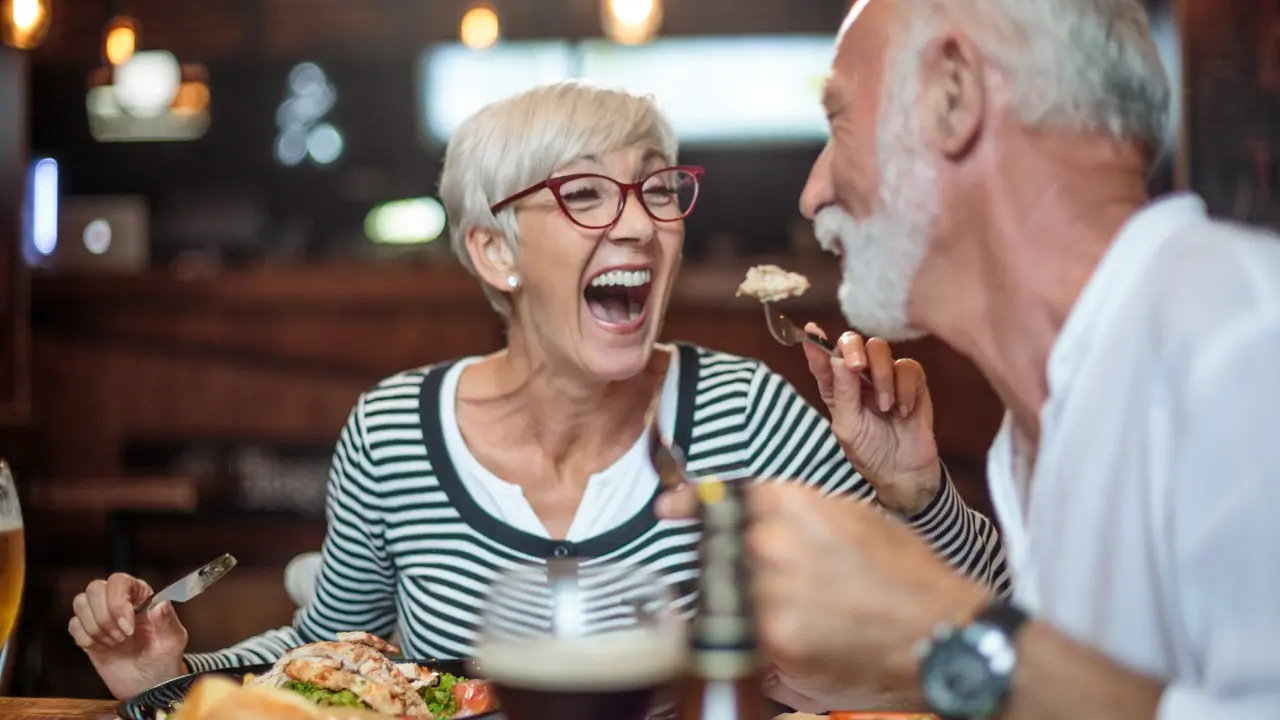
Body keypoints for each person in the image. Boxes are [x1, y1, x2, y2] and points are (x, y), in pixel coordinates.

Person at [66, 81, 1009, 701]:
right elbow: (324, 661)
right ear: (493, 251)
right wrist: (168, 676)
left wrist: (917, 496)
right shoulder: (394, 432)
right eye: (586, 196)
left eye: (657, 191)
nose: (638, 226)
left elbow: (988, 638)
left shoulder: (742, 415)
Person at [661, 0, 1280, 717]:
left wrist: (936, 630)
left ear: (953, 96)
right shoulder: (1042, 421)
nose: (812, 194)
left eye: (840, 123)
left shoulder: (1243, 344)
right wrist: (923, 514)